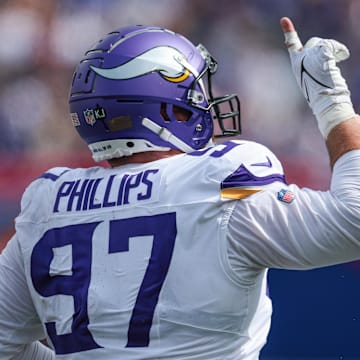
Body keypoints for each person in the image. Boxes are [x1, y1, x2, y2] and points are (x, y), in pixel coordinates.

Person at [0, 16, 360, 360]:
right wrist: (332, 102)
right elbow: (354, 221)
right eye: (195, 95)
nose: (206, 104)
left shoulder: (47, 205)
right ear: (170, 111)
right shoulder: (218, 182)